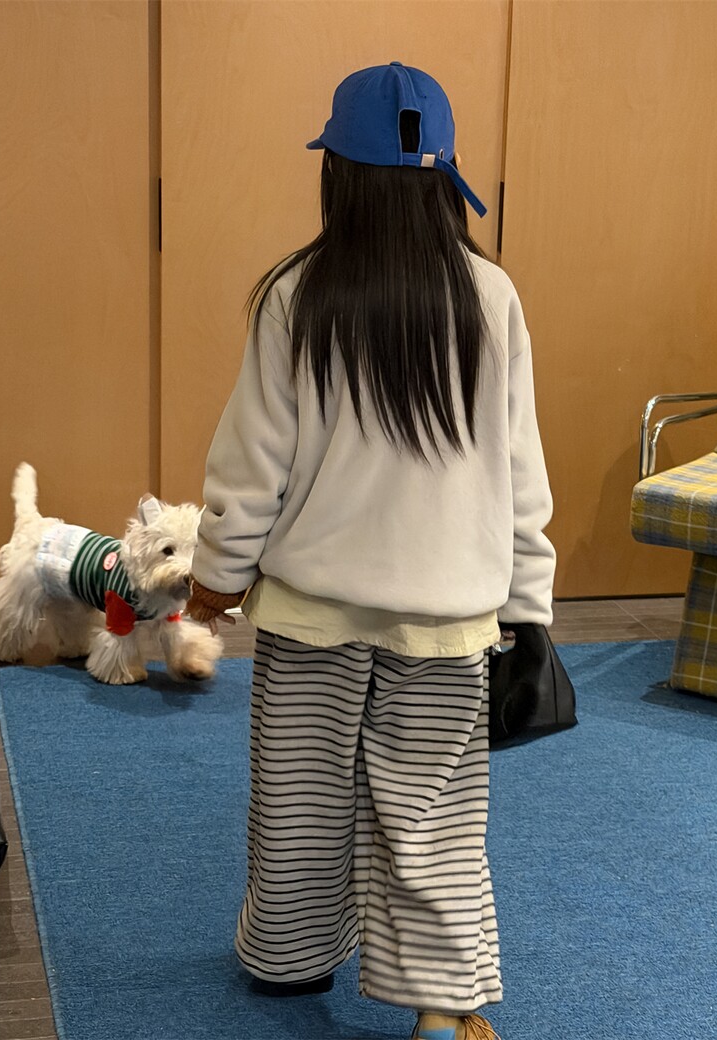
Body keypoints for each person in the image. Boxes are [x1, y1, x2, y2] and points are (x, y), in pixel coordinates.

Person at [186, 61, 556, 1040]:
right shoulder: (491, 296)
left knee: (300, 797)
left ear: (336, 174)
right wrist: (530, 606)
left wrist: (217, 578)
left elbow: (252, 467)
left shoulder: (295, 295)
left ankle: (291, 956)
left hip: (312, 616)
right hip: (450, 623)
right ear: (448, 178)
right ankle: (442, 1005)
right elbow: (521, 473)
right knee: (435, 813)